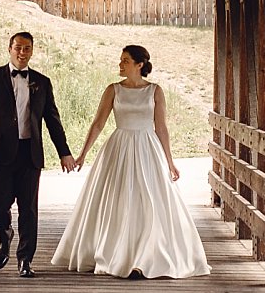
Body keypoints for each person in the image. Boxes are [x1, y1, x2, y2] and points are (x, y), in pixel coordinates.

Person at [50, 44, 211, 280]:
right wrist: (83, 154)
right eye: (121, 60)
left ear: (139, 64)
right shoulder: (113, 90)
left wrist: (170, 161)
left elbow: (162, 128)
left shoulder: (155, 91)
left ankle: (144, 258)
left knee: (150, 202)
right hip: (119, 146)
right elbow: (98, 124)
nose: (120, 64)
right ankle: (116, 254)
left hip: (148, 147)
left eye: (125, 60)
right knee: (118, 200)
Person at [0, 31, 75, 277]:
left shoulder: (42, 81)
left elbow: (53, 120)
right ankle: (4, 234)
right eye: (18, 47)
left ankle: (25, 260)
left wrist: (64, 153)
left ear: (32, 51)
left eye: (27, 48)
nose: (22, 52)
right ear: (10, 49)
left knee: (28, 209)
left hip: (29, 154)